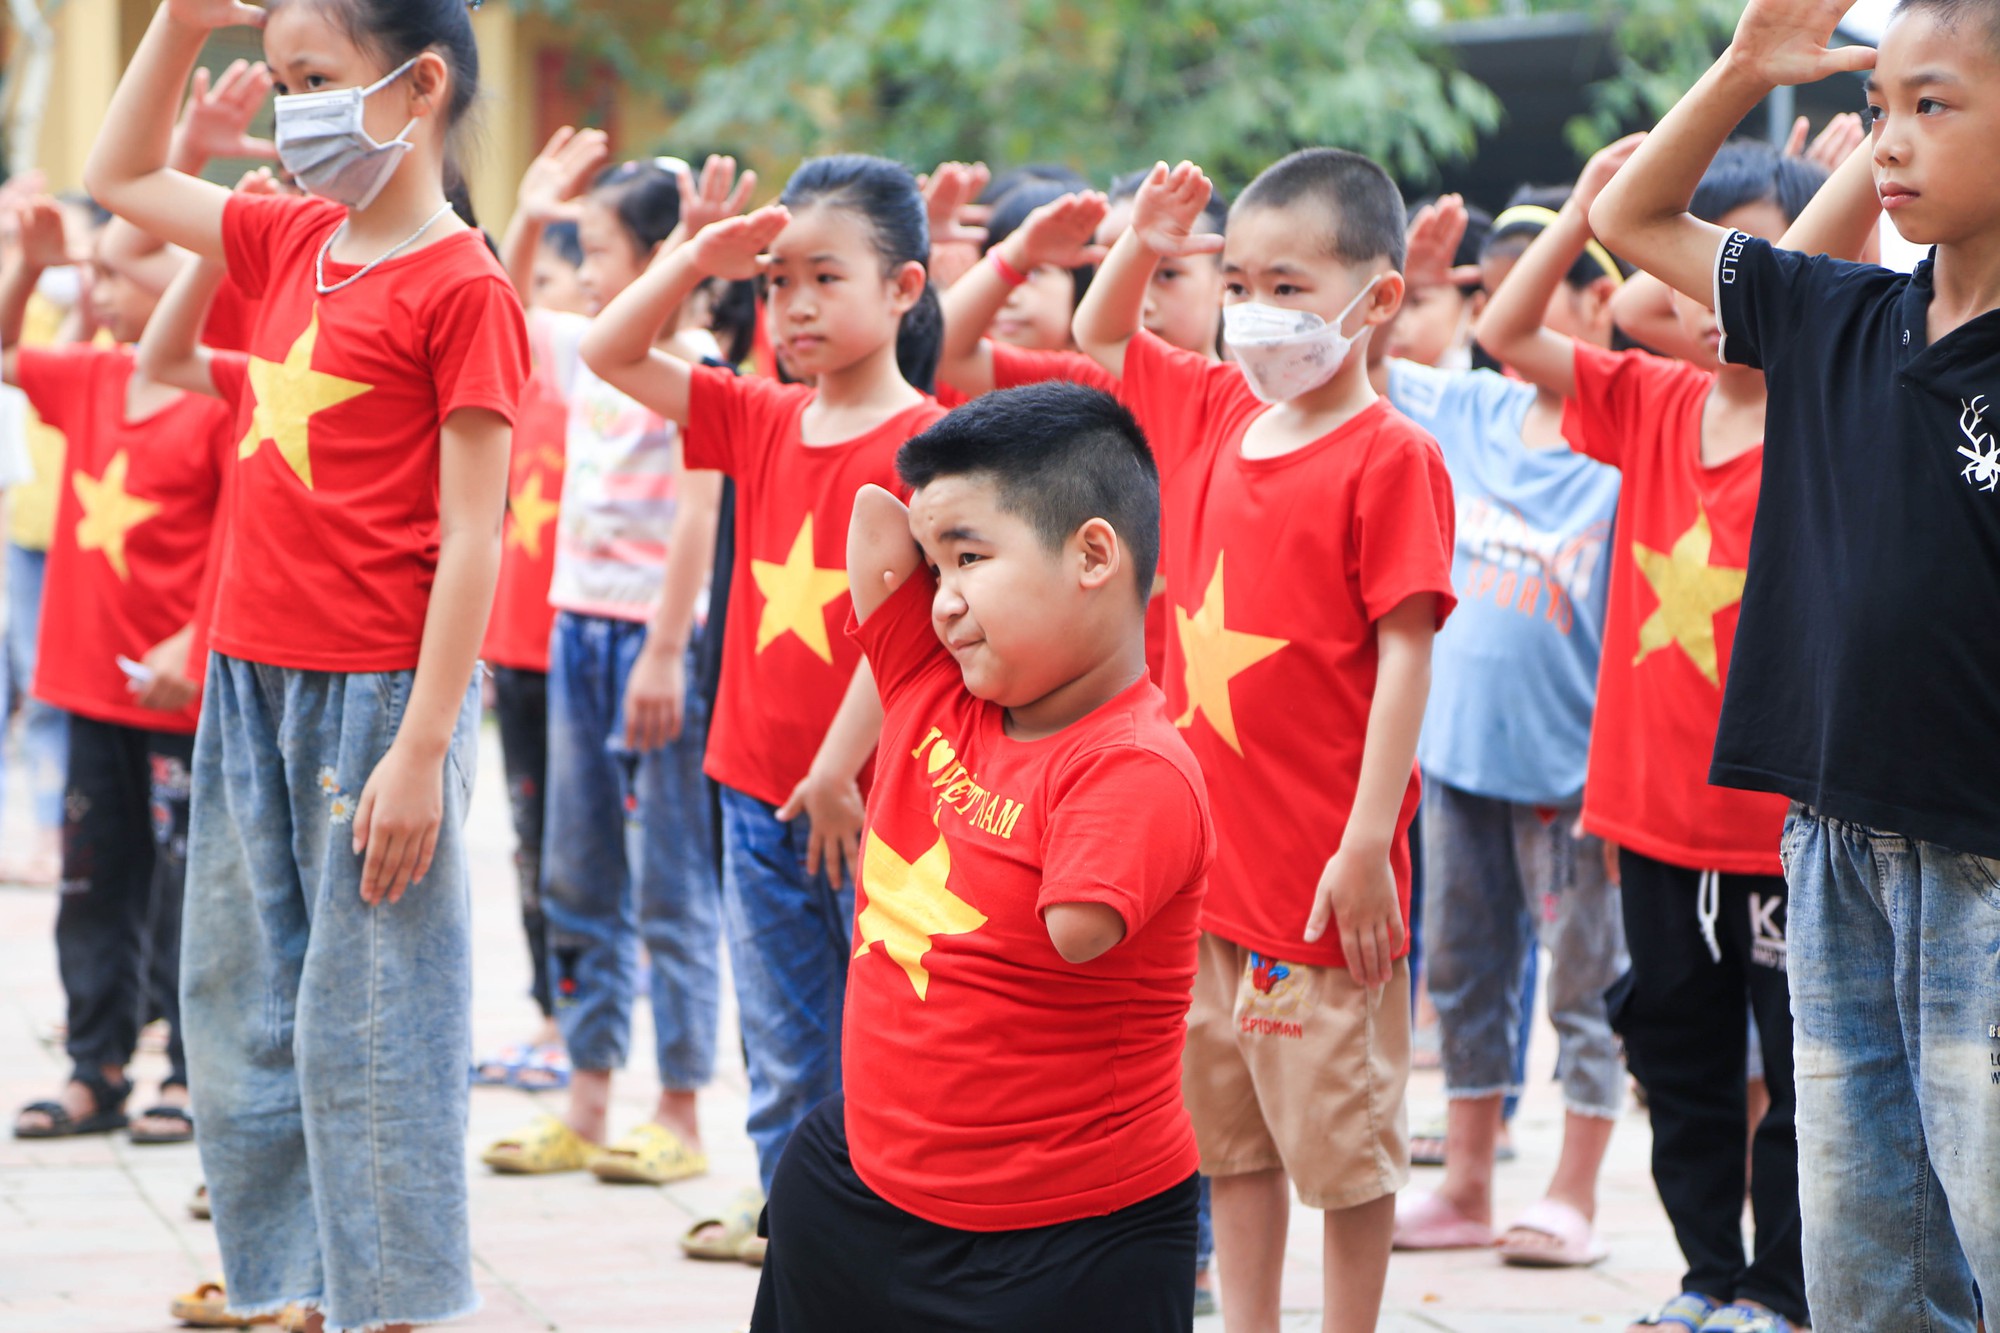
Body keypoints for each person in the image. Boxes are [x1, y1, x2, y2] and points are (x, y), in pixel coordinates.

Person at [85, 1, 529, 1329]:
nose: (293, 112)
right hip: (248, 680)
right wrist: (175, 29)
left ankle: (402, 1303)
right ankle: (294, 1286)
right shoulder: (290, 239)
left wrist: (421, 746)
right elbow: (118, 176)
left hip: (379, 700)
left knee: (374, 1020)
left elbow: (473, 538)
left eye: (317, 79)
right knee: (237, 1004)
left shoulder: (465, 289)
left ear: (419, 85)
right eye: (281, 82)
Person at [1589, 0, 2000, 1325]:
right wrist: (1743, 70)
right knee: (1866, 1243)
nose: (1890, 140)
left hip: (1984, 862)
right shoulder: (1834, 311)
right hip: (1831, 846)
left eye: (1934, 105)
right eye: (1881, 108)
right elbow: (1634, 226)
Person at [1074, 153, 1457, 1333]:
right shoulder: (1208, 409)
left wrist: (1361, 847)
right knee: (1225, 1135)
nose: (1255, 313)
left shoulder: (1389, 456)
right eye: (1235, 280)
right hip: (1202, 880)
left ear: (1375, 298)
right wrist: (1142, 238)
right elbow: (1100, 335)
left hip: (1316, 889)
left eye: (1287, 286)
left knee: (1339, 1143)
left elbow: (1404, 652)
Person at [749, 381, 1211, 1330]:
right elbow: (878, 522)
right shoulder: (932, 687)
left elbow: (1078, 927)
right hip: (862, 1184)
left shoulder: (1132, 764)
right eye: (937, 568)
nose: (944, 601)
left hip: (1063, 1241)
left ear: (1093, 553)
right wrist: (949, 511)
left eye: (969, 560)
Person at [1480, 135, 1827, 1333]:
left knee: (1796, 1077)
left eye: (1758, 265)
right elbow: (1512, 333)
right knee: (1675, 1059)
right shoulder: (1646, 401)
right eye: (1704, 260)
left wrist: (1818, 205)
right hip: (1650, 820)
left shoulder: (1824, 426)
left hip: (1778, 832)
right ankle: (1702, 1278)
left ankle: (1779, 1290)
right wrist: (1586, 199)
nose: (1721, 289)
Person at [582, 152, 947, 1265]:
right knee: (785, 1044)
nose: (790, 305)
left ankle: (892, 1238)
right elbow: (609, 350)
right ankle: (804, 1240)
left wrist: (839, 770)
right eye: (775, 281)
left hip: (878, 805)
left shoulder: (931, 448)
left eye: (822, 278)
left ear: (903, 288)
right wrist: (696, 256)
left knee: (893, 1039)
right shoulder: (756, 415)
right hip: (755, 792)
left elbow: (913, 630)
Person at [1381, 190, 1630, 1268]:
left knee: (1582, 987)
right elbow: (1350, 381)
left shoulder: (1626, 440)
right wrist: (1405, 289)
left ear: (1593, 298)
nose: (1502, 308)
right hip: (1455, 761)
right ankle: (1468, 1186)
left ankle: (1571, 1190)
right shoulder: (1468, 410)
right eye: (1486, 290)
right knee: (1461, 972)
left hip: (1575, 777)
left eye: (1532, 284)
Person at [479, 138, 729, 1184]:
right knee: (576, 865)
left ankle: (676, 1107)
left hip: (651, 641)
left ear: (662, 257)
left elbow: (696, 515)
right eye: (573, 255)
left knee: (666, 875)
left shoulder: (699, 368)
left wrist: (665, 652)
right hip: (573, 627)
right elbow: (495, 305)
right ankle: (586, 1097)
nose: (581, 276)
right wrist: (531, 211)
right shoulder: (583, 344)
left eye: (597, 252)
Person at [1, 195, 231, 1147]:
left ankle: (188, 1069)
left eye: (113, 273)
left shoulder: (221, 392)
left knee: (188, 890)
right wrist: (25, 264)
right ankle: (95, 1065)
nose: (96, 290)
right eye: (90, 272)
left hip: (179, 696)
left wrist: (196, 640)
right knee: (94, 883)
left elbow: (242, 529)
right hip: (89, 683)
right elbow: (7, 356)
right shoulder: (94, 375)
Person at [470, 214, 584, 1093]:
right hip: (519, 654)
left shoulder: (601, 387)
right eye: (540, 287)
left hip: (590, 648)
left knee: (584, 852)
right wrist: (535, 213)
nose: (549, 307)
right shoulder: (519, 385)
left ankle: (591, 1024)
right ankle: (552, 1015)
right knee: (531, 842)